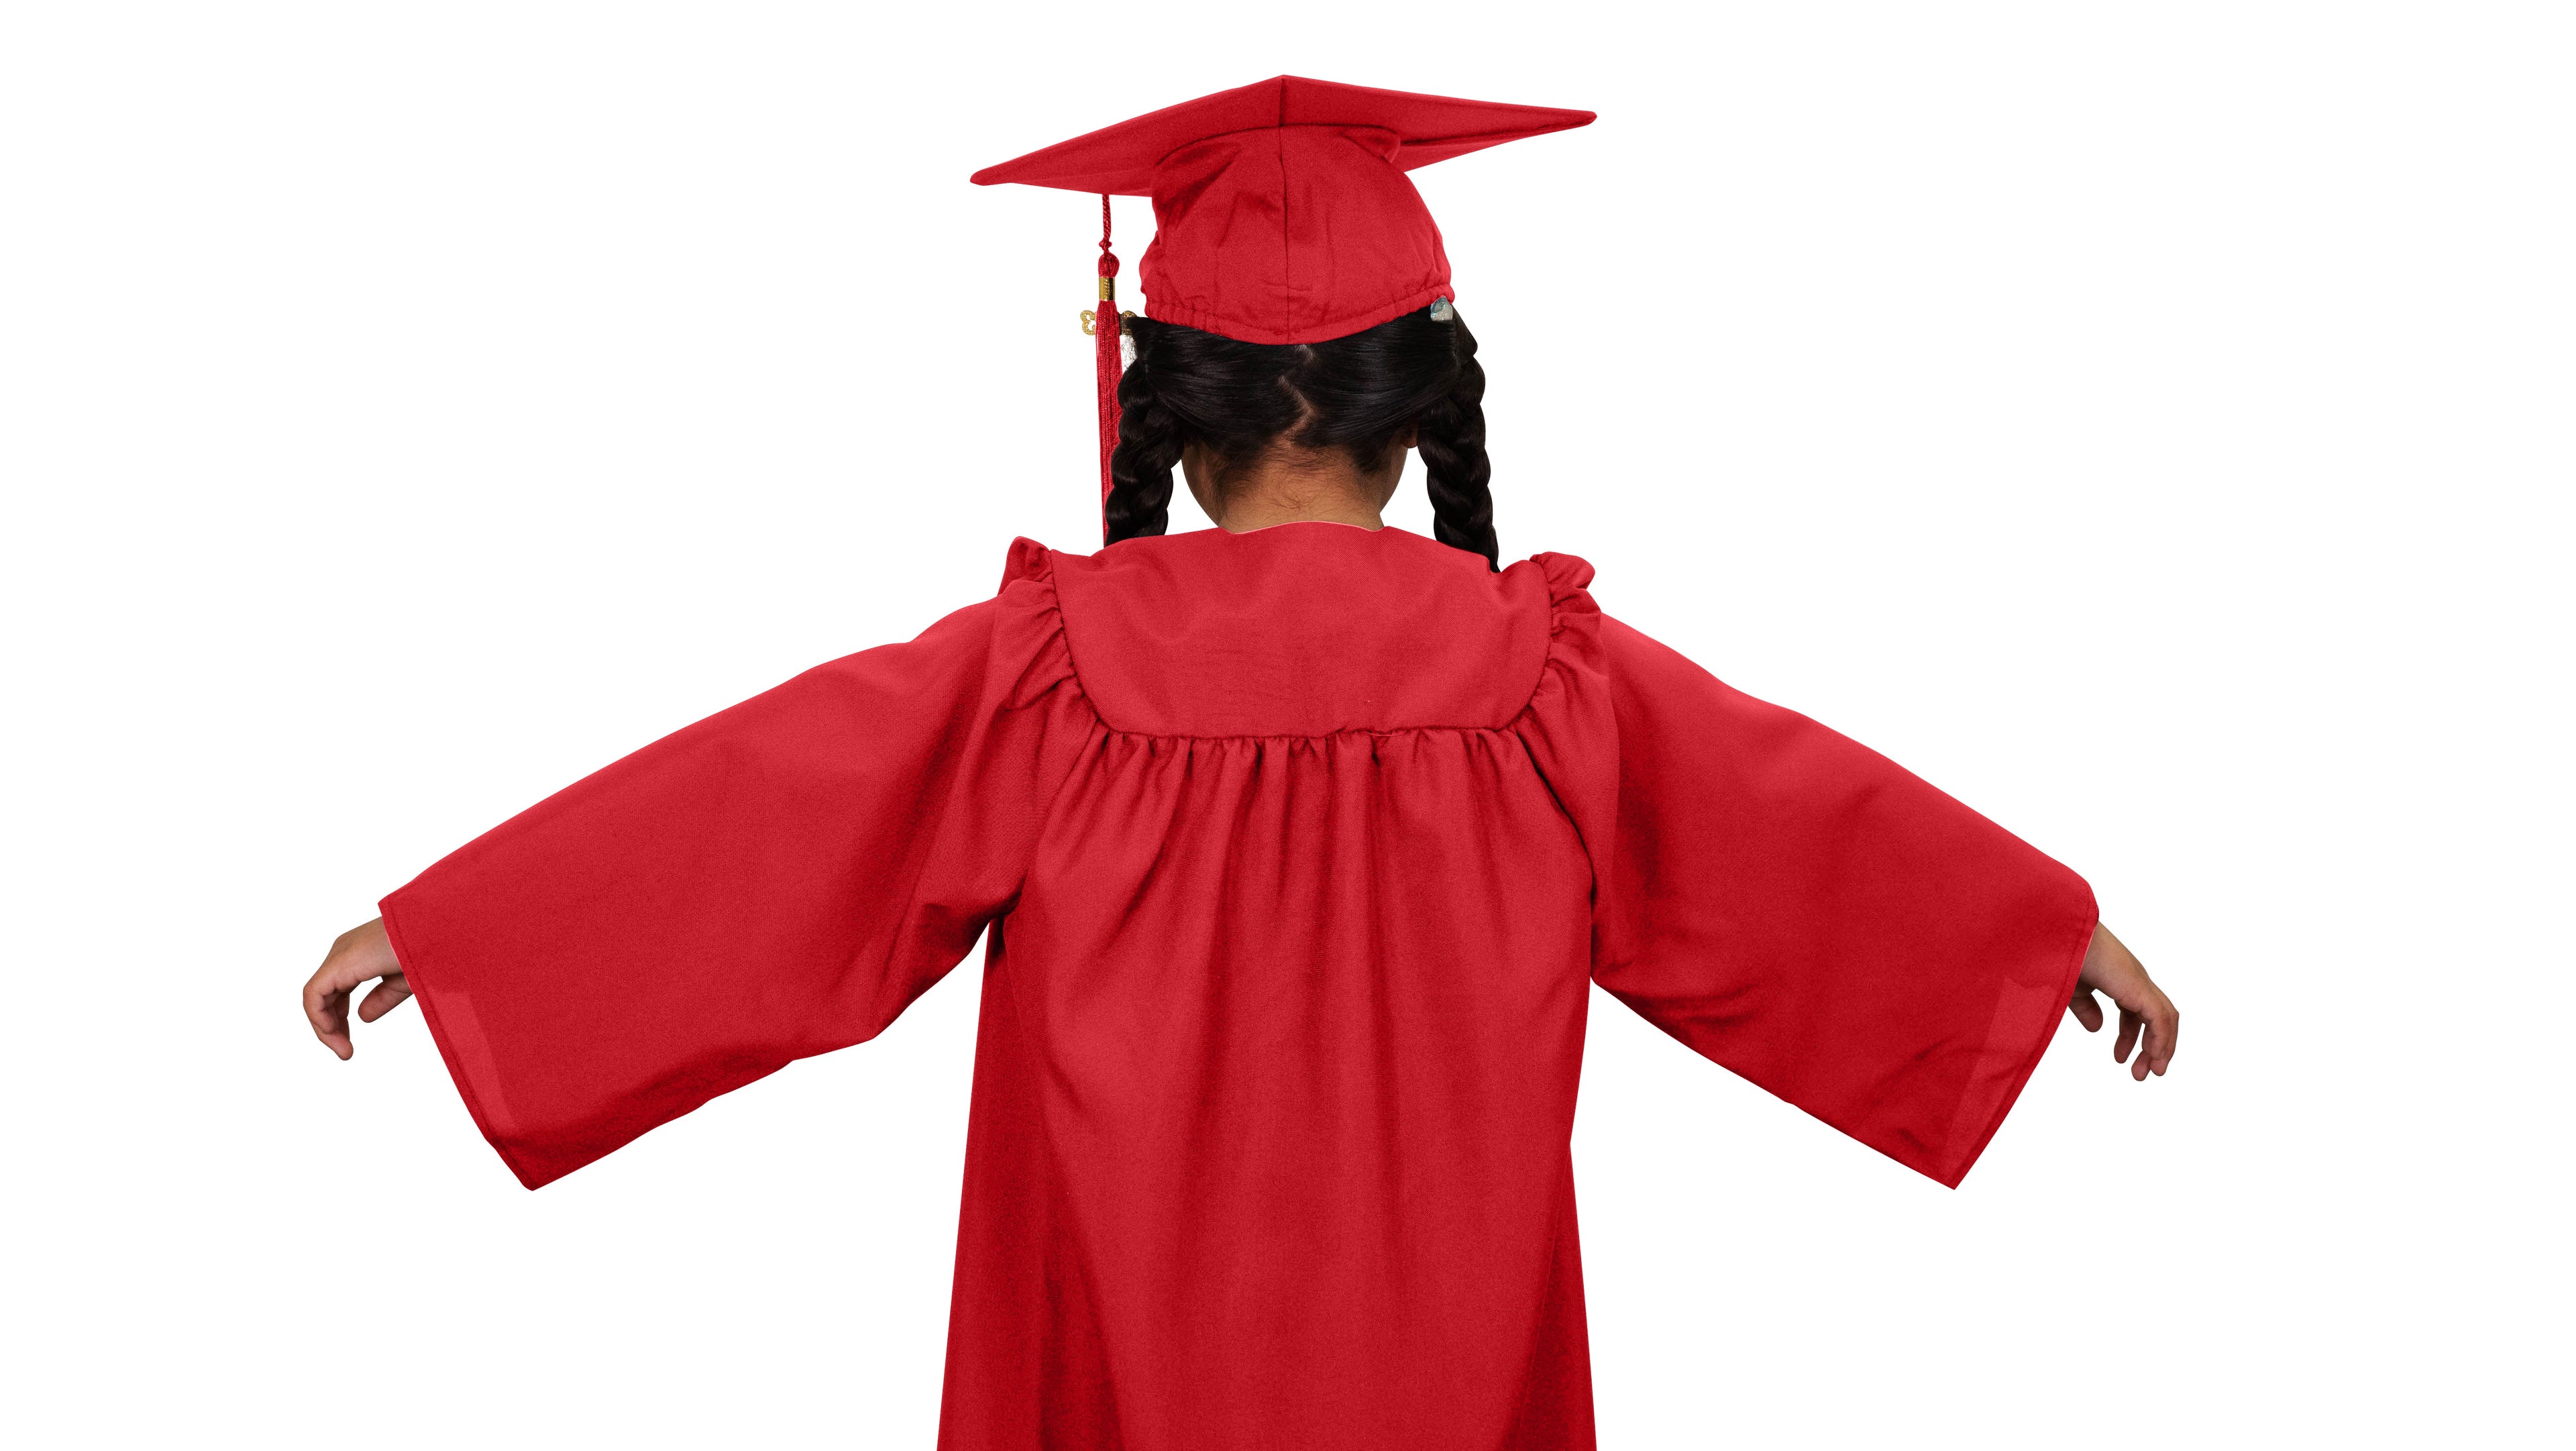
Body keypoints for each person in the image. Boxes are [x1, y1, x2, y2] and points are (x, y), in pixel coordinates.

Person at [303, 76, 2177, 1451]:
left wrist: (461, 932)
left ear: (1163, 407)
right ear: (1420, 410)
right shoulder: (1543, 682)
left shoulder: (1049, 676)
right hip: (1447, 1375)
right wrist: (2041, 934)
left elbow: (765, 820)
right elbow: (1799, 827)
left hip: (1110, 1380)